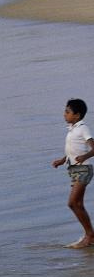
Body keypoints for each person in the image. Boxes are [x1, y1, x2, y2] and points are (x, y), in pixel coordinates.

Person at [51, 98, 94, 249]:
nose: (64, 114)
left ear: (77, 115)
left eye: (67, 112)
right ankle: (90, 236)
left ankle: (90, 235)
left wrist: (84, 157)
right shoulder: (72, 130)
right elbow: (73, 149)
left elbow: (93, 148)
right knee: (78, 204)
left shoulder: (83, 128)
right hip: (74, 170)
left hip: (83, 170)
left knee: (72, 203)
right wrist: (62, 160)